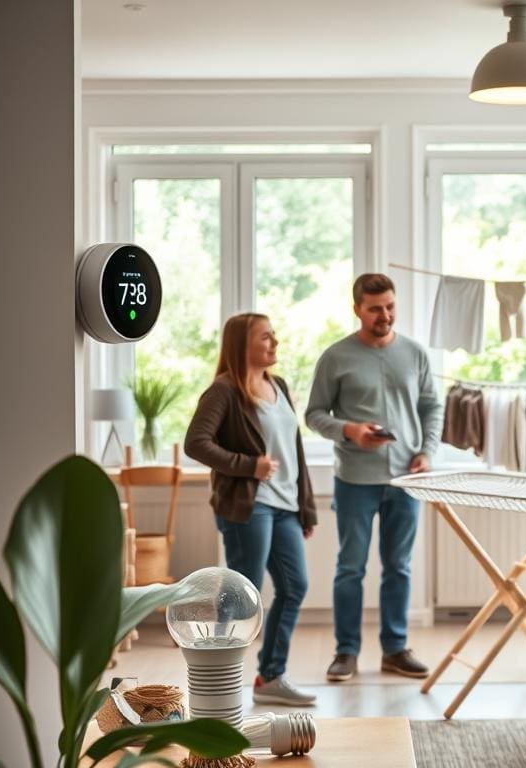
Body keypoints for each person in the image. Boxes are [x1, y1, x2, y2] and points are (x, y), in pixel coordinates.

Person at [305, 273, 444, 682]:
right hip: (354, 479)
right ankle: (346, 651)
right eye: (375, 309)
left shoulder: (415, 354)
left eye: (390, 306)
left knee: (398, 566)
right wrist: (349, 430)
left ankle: (395, 650)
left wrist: (427, 451)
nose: (384, 315)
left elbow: (431, 407)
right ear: (357, 309)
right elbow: (314, 414)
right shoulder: (335, 357)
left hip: (405, 479)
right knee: (350, 567)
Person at [185, 312, 318, 707]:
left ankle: (270, 677)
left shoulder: (278, 385)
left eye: (274, 336)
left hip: (285, 507)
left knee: (295, 587)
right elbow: (197, 443)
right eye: (266, 337)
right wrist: (249, 465)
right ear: (242, 344)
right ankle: (214, 679)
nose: (274, 343)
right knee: (242, 596)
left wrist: (306, 509)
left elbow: (294, 453)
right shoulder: (224, 390)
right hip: (249, 507)